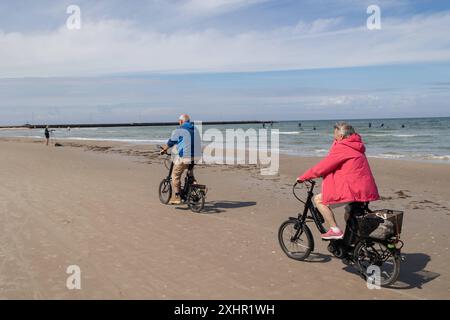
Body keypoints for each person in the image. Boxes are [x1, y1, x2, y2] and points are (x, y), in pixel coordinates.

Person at [297, 122, 380, 240]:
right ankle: (354, 239)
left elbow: (323, 166)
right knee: (350, 212)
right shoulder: (356, 146)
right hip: (365, 189)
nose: (333, 136)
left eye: (334, 134)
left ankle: (335, 230)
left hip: (354, 190)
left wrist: (304, 177)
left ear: (341, 136)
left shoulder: (343, 147)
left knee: (319, 200)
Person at [160, 114, 202, 205]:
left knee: (175, 175)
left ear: (181, 121)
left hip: (186, 156)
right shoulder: (195, 129)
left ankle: (177, 196)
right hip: (197, 156)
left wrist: (164, 149)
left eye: (179, 121)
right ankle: (195, 187)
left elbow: (171, 141)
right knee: (189, 172)